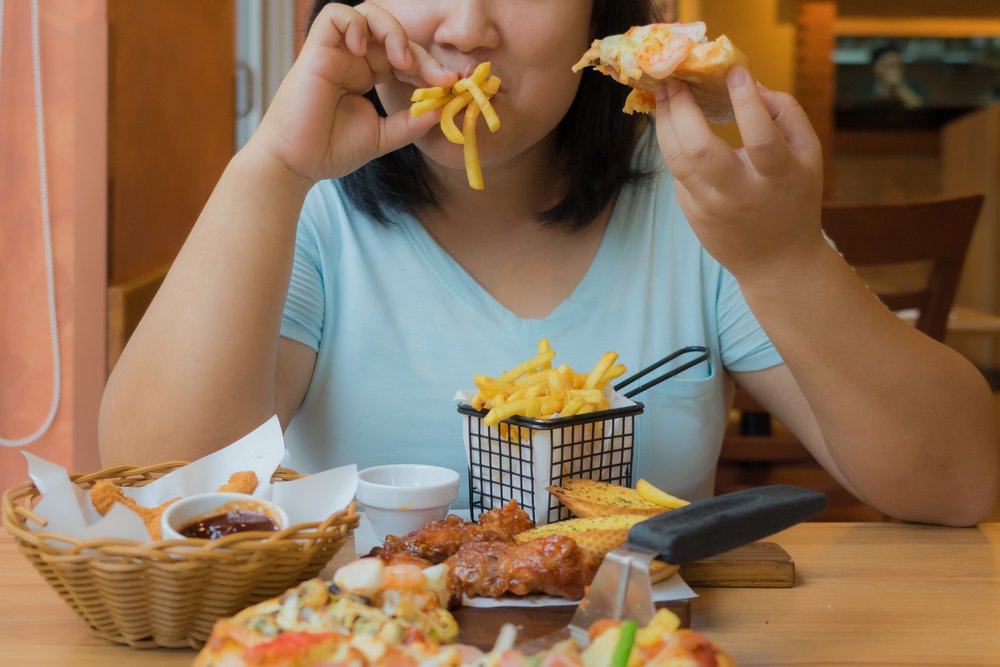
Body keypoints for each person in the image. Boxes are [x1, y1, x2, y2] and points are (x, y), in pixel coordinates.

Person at [99, 0, 997, 526]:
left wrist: (787, 259)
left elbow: (962, 480)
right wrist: (272, 169)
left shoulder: (705, 200)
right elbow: (152, 485)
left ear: (600, 22)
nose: (464, 29)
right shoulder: (308, 213)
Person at [858, 44, 925, 110]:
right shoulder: (865, 92)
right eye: (888, 65)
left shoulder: (915, 88)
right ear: (875, 67)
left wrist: (899, 87)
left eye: (897, 65)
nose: (893, 70)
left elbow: (922, 110)